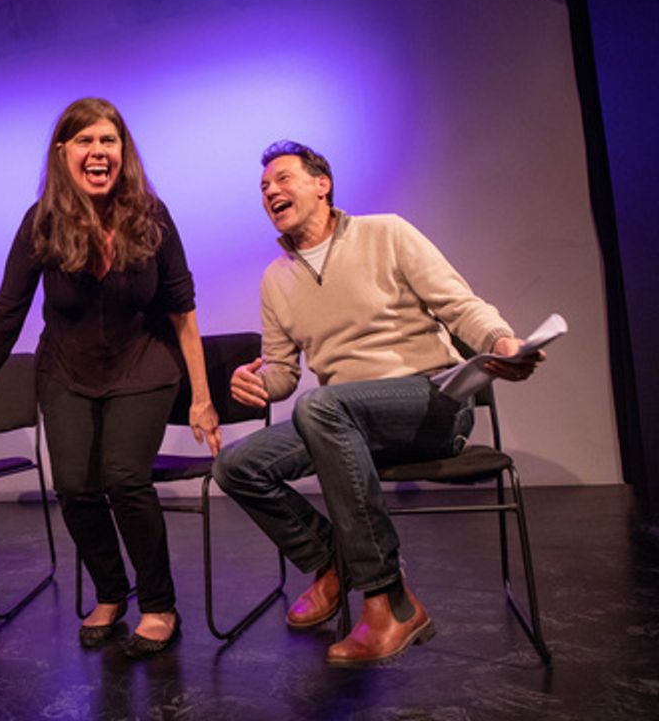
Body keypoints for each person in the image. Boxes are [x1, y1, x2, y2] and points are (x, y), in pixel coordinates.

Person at [212, 140, 544, 667]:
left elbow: (459, 305)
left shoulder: (386, 232)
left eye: (282, 178)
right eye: (263, 187)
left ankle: (389, 599)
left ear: (322, 184)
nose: (270, 190)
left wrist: (501, 341)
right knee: (237, 465)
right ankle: (333, 561)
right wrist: (256, 383)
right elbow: (281, 373)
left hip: (430, 399)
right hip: (343, 421)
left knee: (321, 406)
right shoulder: (275, 279)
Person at [0, 98, 221, 657]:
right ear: (63, 153)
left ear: (123, 153)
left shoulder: (151, 215)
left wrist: (201, 398)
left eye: (109, 141)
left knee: (124, 478)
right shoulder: (42, 222)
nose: (98, 151)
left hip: (142, 366)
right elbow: (7, 309)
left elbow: (183, 309)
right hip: (65, 371)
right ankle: (111, 592)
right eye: (85, 141)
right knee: (76, 487)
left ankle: (158, 604)